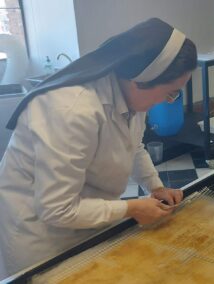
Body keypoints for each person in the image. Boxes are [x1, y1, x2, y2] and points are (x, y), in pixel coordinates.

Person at [0, 18, 197, 278]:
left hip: (84, 214)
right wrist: (133, 208)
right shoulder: (71, 110)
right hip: (39, 234)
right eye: (170, 92)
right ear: (141, 81)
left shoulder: (131, 93)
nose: (169, 100)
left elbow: (134, 146)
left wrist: (156, 186)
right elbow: (56, 209)